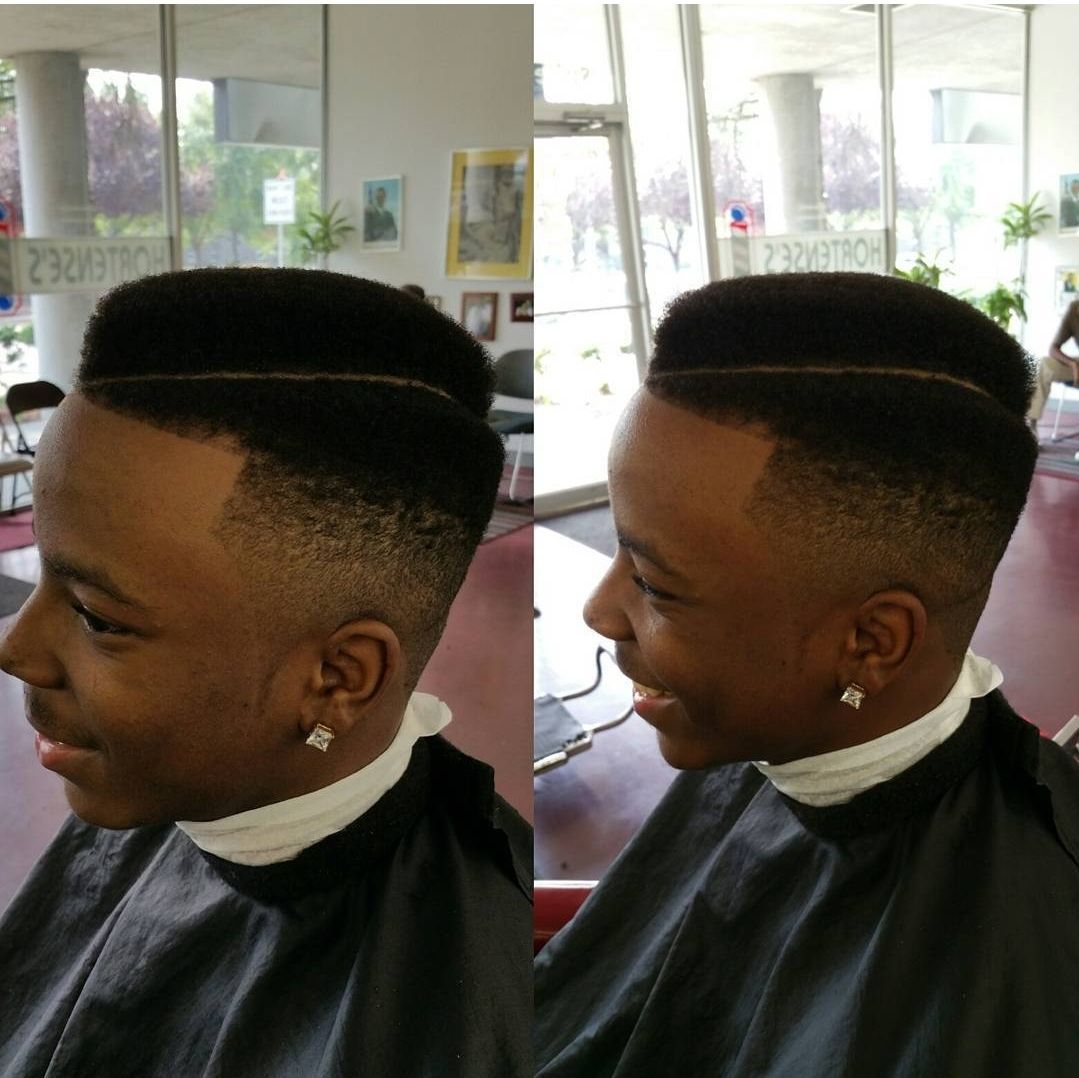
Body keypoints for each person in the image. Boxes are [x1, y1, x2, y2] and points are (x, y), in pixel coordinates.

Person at [534, 272, 1079, 1077]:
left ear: (871, 643)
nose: (599, 611)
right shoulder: (778, 735)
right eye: (619, 552)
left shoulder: (1001, 981)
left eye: (653, 585)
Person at [0, 268, 531, 1076]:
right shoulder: (168, 782)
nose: (15, 648)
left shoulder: (473, 995)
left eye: (97, 618)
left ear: (338, 679)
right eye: (43, 577)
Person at [1027, 296, 1079, 429]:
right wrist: (1072, 363)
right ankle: (1031, 426)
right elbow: (1053, 348)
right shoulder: (1074, 309)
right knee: (1045, 365)